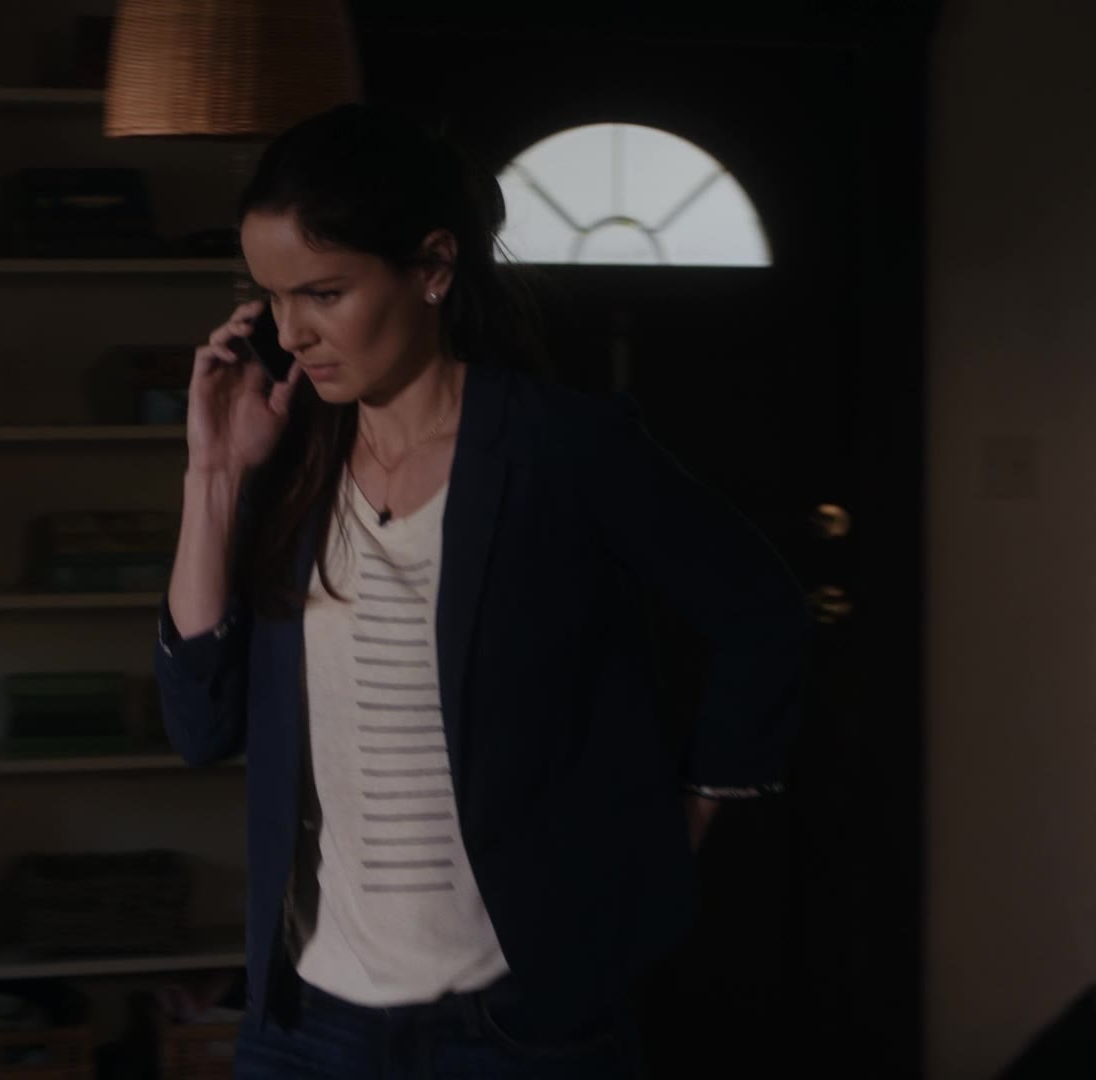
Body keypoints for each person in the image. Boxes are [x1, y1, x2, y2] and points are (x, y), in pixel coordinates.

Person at [155, 103, 809, 1079]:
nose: (293, 333)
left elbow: (762, 612)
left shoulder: (560, 447)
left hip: (516, 1029)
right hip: (306, 1029)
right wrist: (213, 475)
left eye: (325, 293)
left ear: (432, 267)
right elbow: (200, 724)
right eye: (272, 297)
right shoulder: (289, 460)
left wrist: (681, 822)